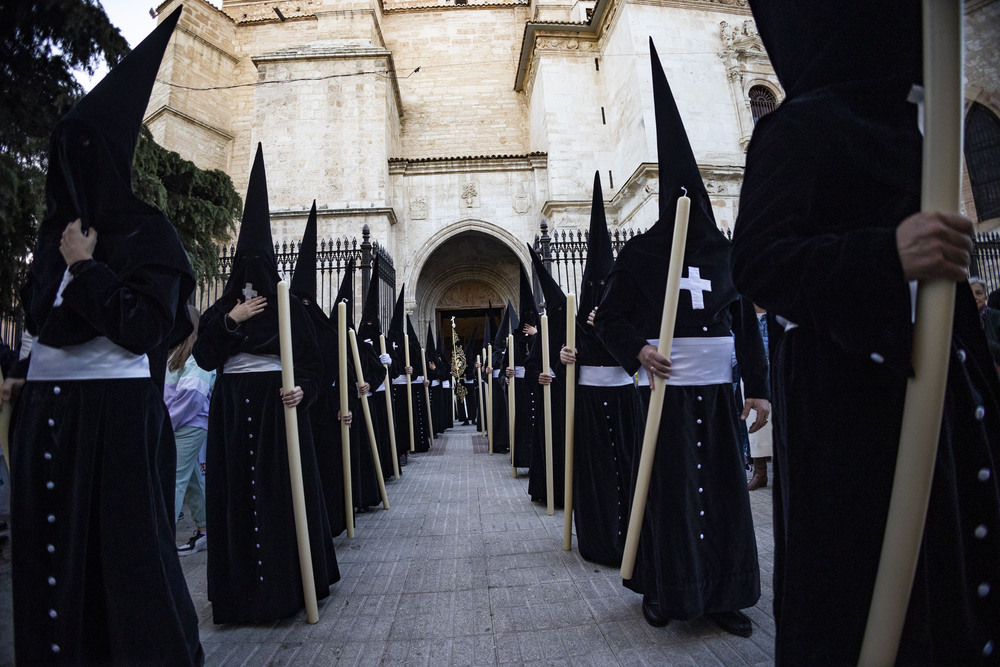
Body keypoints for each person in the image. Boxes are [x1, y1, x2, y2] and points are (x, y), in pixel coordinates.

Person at [731, 2, 1000, 662]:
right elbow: (758, 261)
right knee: (874, 596)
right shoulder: (799, 126)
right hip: (855, 401)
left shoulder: (921, 122)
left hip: (946, 385)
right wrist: (886, 255)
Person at [0, 9, 203, 663]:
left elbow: (143, 328)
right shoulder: (52, 238)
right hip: (47, 419)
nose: (70, 169)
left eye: (82, 154)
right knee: (49, 563)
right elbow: (39, 319)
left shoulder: (150, 235)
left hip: (114, 419)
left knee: (125, 565)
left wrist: (88, 269)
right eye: (65, 155)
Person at [594, 41, 768, 637]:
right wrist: (640, 349)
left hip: (718, 397)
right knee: (668, 491)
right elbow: (607, 319)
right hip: (664, 396)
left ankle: (725, 595)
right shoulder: (643, 255)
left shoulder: (723, 254)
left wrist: (760, 389)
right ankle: (665, 590)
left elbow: (743, 323)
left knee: (723, 491)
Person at [194, 144, 339, 624]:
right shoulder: (222, 310)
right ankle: (240, 597)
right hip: (234, 414)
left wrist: (304, 393)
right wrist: (231, 320)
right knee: (238, 498)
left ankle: (291, 587)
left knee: (281, 498)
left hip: (279, 414)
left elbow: (315, 368)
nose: (253, 281)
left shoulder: (290, 308)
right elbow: (204, 354)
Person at [559, 172, 642, 567]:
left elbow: (639, 354)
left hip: (626, 403)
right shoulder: (574, 321)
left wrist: (611, 325)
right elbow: (563, 372)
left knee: (628, 468)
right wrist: (564, 362)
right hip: (590, 406)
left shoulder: (623, 314)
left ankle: (635, 537)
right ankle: (598, 538)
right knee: (596, 476)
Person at [165, 304, 215, 554]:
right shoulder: (174, 354)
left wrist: (165, 423)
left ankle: (162, 539)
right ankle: (207, 529)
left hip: (187, 425)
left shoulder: (196, 356)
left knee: (173, 478)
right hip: (180, 424)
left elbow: (192, 398)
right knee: (191, 478)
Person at [745, 304, 772, 491]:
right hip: (753, 373)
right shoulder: (743, 314)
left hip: (779, 368)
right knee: (754, 420)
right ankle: (760, 473)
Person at [971, 277, 1000, 366]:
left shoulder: (996, 316)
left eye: (979, 293)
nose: (974, 297)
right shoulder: (959, 320)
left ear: (985, 297)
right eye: (969, 294)